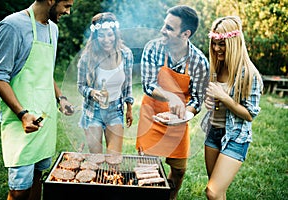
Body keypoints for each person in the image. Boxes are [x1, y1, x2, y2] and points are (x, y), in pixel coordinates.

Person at [0, 0, 74, 199]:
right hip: (22, 122)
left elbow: (45, 71)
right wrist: (23, 114)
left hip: (45, 119)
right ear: (51, 0)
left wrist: (61, 98)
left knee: (38, 178)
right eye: (66, 6)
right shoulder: (12, 26)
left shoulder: (53, 29)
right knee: (19, 191)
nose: (68, 12)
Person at [136, 5, 209, 200]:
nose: (162, 30)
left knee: (179, 171)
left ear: (185, 34)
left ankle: (171, 197)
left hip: (178, 119)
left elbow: (197, 99)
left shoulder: (199, 62)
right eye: (164, 25)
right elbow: (148, 85)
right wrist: (171, 97)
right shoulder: (153, 48)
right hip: (151, 114)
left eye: (169, 28)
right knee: (147, 168)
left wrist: (185, 115)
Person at [202, 16, 263, 200]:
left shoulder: (248, 73)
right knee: (218, 192)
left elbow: (250, 114)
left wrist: (224, 98)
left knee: (212, 192)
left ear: (234, 42)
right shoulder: (217, 66)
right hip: (214, 133)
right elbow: (214, 100)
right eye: (214, 43)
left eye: (221, 44)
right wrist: (209, 102)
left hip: (236, 137)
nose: (216, 48)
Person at [77, 12, 134, 155]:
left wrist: (129, 108)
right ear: (95, 37)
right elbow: (80, 86)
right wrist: (91, 92)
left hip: (115, 111)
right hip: (93, 112)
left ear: (115, 34)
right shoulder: (87, 58)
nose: (106, 39)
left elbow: (127, 85)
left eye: (110, 34)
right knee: (96, 160)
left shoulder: (126, 54)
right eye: (101, 35)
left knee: (114, 159)